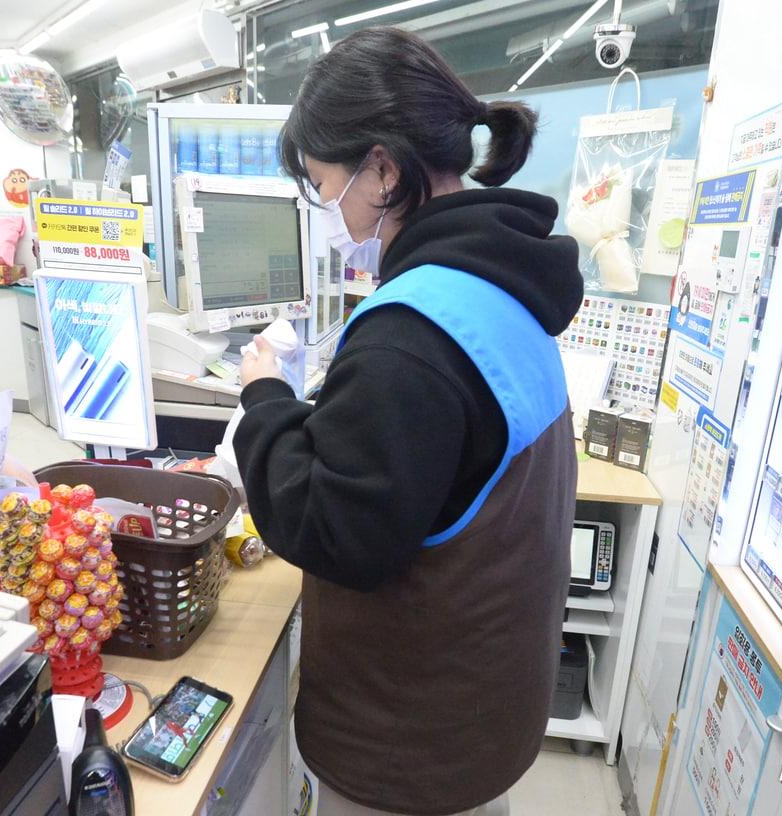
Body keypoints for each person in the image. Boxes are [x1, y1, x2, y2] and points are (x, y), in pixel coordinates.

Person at [234, 26, 582, 816]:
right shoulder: (504, 286)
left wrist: (264, 399)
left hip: (406, 749)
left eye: (325, 184)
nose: (326, 208)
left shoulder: (409, 334)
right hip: (484, 714)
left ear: (382, 168)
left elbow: (330, 529)